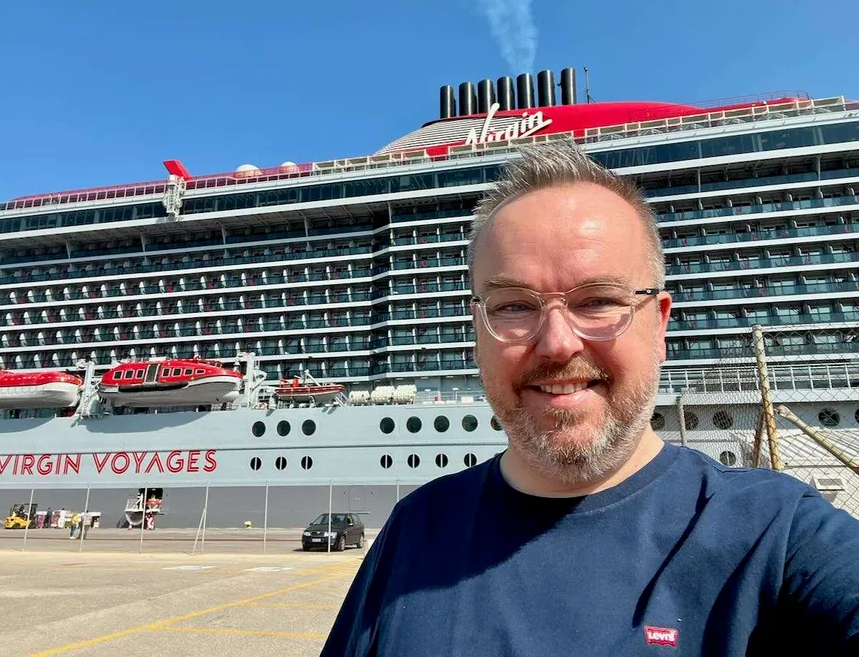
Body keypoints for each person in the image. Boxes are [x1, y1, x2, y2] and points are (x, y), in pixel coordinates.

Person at [321, 142, 859, 656]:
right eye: (513, 306)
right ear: (477, 329)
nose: (557, 343)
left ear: (660, 323)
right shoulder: (414, 529)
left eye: (599, 300)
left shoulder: (777, 534)